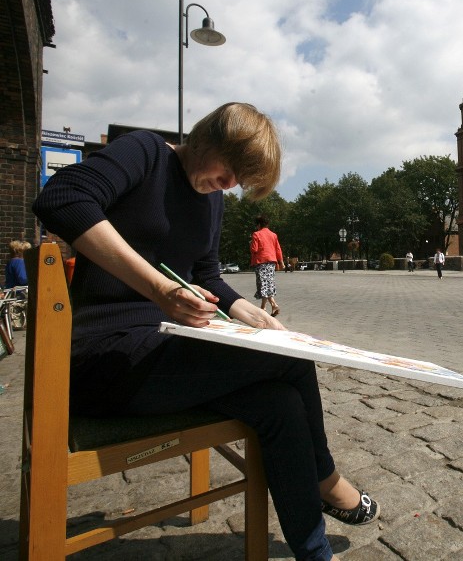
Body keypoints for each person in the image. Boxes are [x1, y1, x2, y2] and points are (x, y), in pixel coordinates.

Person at [33, 102, 377, 561]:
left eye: (240, 180)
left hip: (165, 352)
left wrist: (248, 314)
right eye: (229, 170)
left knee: (280, 402)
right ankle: (326, 481)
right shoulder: (145, 153)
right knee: (290, 361)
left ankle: (314, 552)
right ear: (206, 139)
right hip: (106, 358)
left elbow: (207, 274)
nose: (230, 184)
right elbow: (61, 198)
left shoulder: (212, 197)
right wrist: (157, 288)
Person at [250, 215, 284, 317]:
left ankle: (264, 308)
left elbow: (254, 249)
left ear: (259, 224)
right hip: (272, 262)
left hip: (261, 262)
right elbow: (278, 249)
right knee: (269, 283)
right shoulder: (273, 235)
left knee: (263, 285)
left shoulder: (256, 234)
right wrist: (281, 262)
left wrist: (251, 243)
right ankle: (273, 305)